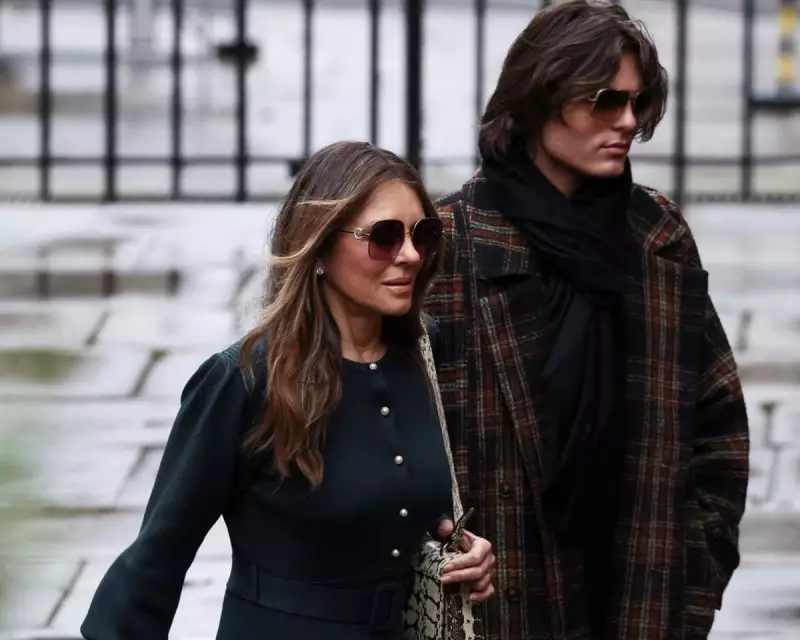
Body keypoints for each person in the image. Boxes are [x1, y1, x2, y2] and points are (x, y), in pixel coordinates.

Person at [80, 140, 496, 640]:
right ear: (318, 246)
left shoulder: (423, 352)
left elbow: (397, 504)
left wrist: (459, 552)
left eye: (422, 234)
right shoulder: (243, 379)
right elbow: (157, 557)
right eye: (384, 236)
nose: (409, 255)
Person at [424, 1, 750, 639]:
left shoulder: (655, 237)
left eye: (637, 102)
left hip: (633, 602)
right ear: (539, 98)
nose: (627, 121)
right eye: (605, 101)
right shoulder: (451, 243)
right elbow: (391, 442)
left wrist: (688, 589)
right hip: (499, 610)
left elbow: (718, 433)